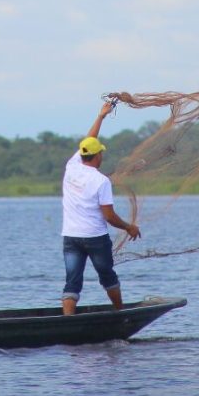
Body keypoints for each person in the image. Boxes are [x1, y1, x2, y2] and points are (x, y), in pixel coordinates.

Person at [60, 101, 142, 315]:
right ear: (97, 156)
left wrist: (101, 116)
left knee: (72, 282)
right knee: (107, 276)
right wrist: (129, 227)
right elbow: (109, 216)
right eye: (100, 153)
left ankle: (67, 322)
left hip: (71, 237)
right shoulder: (100, 181)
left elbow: (89, 141)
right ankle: (120, 314)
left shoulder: (71, 167)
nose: (101, 156)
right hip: (95, 238)